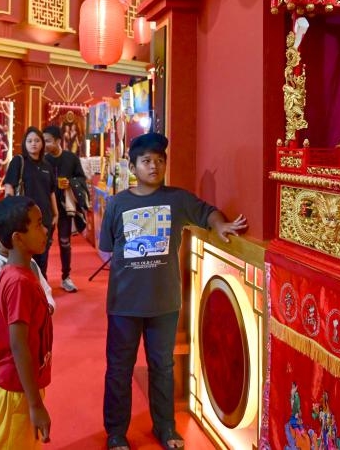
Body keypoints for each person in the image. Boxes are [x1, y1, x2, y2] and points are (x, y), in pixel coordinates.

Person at [100, 132, 246, 450]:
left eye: (160, 160)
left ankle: (165, 427)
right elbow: (106, 248)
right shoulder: (117, 203)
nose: (154, 166)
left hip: (164, 303)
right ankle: (116, 432)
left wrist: (220, 225)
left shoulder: (177, 200)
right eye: (147, 161)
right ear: (133, 167)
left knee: (163, 368)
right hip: (124, 304)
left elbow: (207, 212)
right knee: (119, 369)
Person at [0, 205, 54, 450]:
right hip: (11, 377)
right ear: (17, 238)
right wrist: (35, 404)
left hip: (22, 376)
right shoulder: (14, 279)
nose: (45, 230)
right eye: (38, 225)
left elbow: (46, 298)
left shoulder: (24, 268)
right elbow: (18, 342)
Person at [3, 127, 59, 281]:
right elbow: (9, 186)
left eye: (37, 140)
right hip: (24, 218)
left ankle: (41, 286)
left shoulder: (47, 166)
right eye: (29, 141)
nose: (33, 144)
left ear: (42, 143)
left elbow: (51, 192)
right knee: (24, 257)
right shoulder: (18, 161)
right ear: (24, 143)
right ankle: (24, 285)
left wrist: (56, 214)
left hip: (45, 219)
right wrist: (10, 213)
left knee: (43, 256)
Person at [42, 125, 88, 293]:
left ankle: (66, 277)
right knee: (44, 243)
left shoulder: (71, 158)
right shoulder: (42, 159)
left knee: (65, 242)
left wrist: (71, 183)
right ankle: (42, 279)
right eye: (43, 141)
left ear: (58, 141)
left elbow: (81, 178)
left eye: (48, 141)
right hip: (46, 208)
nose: (44, 144)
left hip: (65, 208)